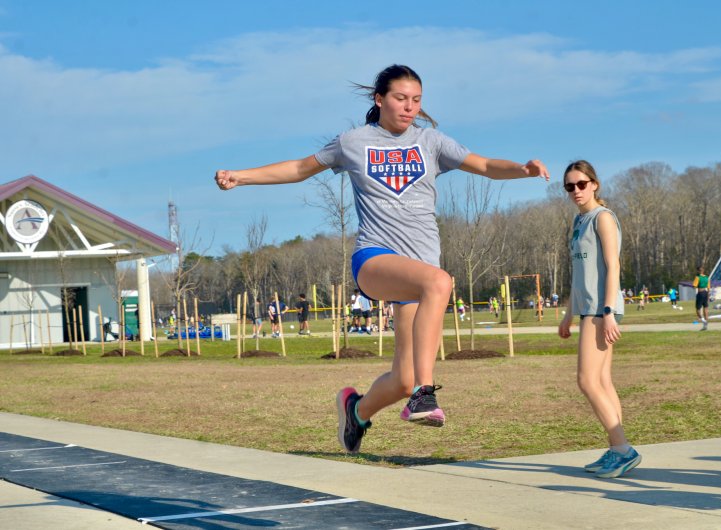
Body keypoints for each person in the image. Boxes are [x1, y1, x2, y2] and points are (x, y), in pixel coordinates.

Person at [215, 64, 549, 454]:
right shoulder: (354, 141)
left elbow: (487, 166)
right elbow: (299, 169)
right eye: (400, 98)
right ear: (380, 99)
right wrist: (242, 176)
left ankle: (356, 411)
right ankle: (425, 395)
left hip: (417, 271)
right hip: (375, 259)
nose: (409, 107)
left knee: (402, 378)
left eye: (416, 100)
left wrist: (522, 169)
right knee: (440, 282)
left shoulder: (432, 142)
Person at [558, 160, 641, 479]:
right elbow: (580, 274)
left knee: (587, 380)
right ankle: (615, 448)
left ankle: (623, 449)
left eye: (581, 184)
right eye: (569, 186)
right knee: (603, 381)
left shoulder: (603, 218)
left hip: (600, 309)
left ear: (594, 184)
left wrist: (608, 312)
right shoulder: (580, 221)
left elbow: (613, 267)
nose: (576, 191)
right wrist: (568, 314)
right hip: (587, 308)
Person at [693, 266, 710, 331]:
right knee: (705, 309)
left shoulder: (697, 277)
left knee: (697, 309)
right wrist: (708, 296)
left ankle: (703, 321)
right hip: (706, 293)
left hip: (700, 293)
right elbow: (708, 288)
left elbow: (694, 286)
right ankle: (705, 326)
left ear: (698, 271)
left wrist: (695, 286)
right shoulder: (707, 277)